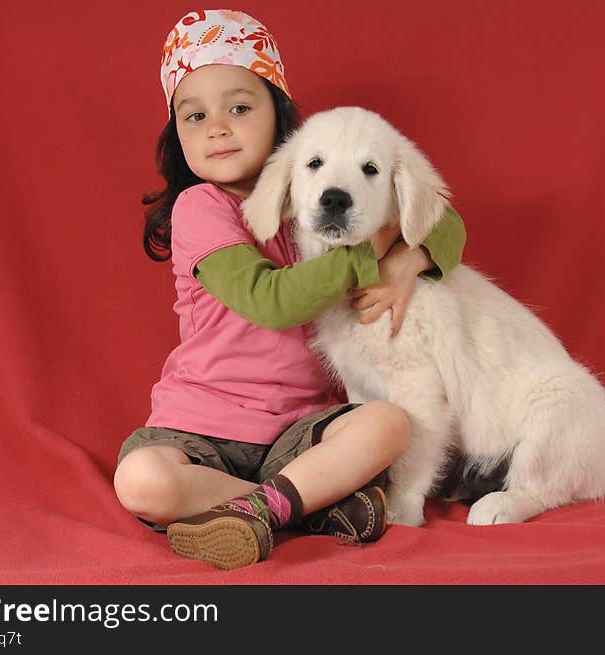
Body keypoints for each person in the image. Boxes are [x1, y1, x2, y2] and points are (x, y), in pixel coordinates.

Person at [113, 9, 467, 570]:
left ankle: (267, 508)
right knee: (141, 479)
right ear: (177, 135)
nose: (217, 128)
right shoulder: (200, 207)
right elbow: (271, 303)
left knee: (389, 423)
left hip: (302, 432)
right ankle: (301, 507)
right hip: (202, 429)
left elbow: (446, 223)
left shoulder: (316, 185)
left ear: (279, 116)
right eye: (194, 116)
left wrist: (410, 260)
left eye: (238, 107)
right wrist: (373, 248)